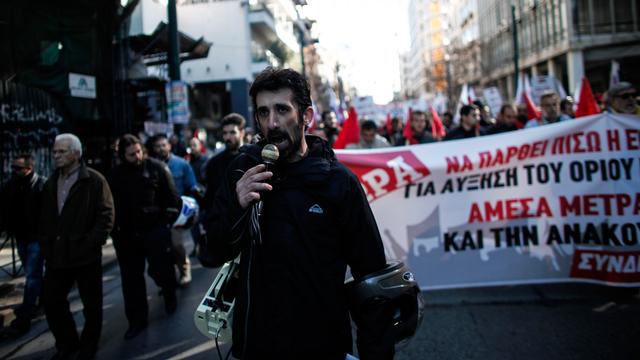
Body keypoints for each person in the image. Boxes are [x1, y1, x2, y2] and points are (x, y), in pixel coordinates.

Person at [204, 67, 389, 359]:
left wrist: (375, 353)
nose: (273, 122)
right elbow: (211, 252)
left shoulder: (338, 182)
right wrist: (237, 206)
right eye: (263, 113)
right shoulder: (243, 171)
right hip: (257, 344)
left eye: (282, 110)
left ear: (306, 116)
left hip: (321, 344)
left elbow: (372, 274)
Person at [39, 134, 114, 360]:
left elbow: (106, 216)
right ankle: (67, 343)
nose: (56, 156)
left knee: (91, 304)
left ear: (76, 153)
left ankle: (89, 344)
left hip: (85, 255)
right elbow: (45, 216)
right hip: (57, 255)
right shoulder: (51, 182)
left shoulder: (94, 180)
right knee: (52, 301)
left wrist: (91, 243)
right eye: (54, 152)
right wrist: (46, 243)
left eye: (61, 152)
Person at [108, 134, 180, 340]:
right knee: (131, 282)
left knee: (162, 269)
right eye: (131, 154)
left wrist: (165, 224)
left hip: (155, 231)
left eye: (139, 152)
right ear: (123, 155)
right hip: (128, 236)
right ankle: (137, 321)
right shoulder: (115, 175)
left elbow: (172, 197)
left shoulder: (156, 167)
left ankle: (169, 294)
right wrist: (116, 233)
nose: (136, 157)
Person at [0, 153, 46, 337]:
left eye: (18, 168)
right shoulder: (10, 186)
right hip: (20, 236)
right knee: (32, 270)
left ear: (29, 168)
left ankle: (26, 312)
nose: (14, 171)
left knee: (33, 273)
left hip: (37, 236)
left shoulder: (41, 184)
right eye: (13, 167)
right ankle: (43, 300)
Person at [149, 134, 197, 286]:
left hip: (177, 212)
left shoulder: (182, 164)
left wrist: (191, 209)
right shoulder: (150, 166)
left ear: (169, 146)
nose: (161, 148)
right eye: (158, 146)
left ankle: (184, 269)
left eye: (164, 145)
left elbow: (192, 186)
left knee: (176, 244)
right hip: (157, 214)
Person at [202, 113, 246, 210]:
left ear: (242, 133)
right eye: (225, 133)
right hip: (221, 218)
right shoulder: (214, 163)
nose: (228, 137)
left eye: (232, 132)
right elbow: (211, 194)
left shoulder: (250, 159)